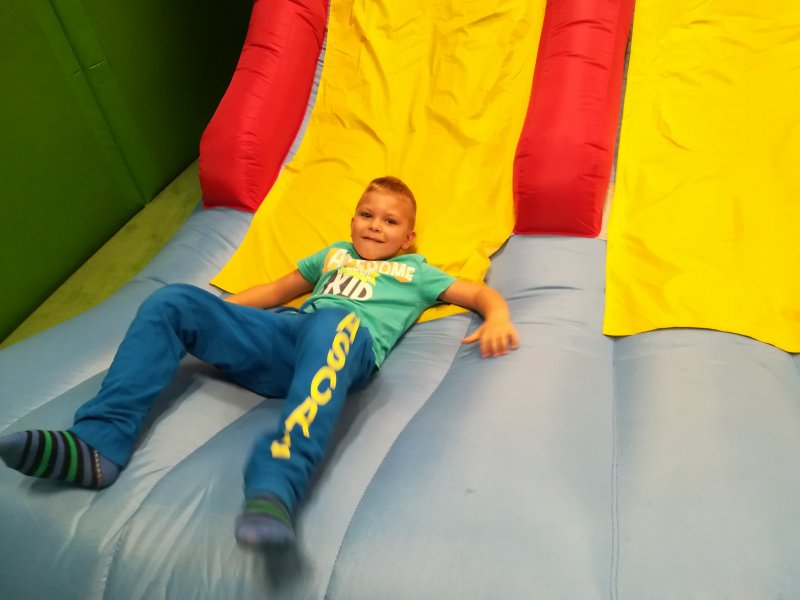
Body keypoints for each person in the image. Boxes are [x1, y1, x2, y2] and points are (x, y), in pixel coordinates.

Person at [0, 176, 519, 547]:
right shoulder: (334, 255)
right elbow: (275, 291)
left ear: (408, 238)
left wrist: (496, 315)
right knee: (174, 300)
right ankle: (96, 446)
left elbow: (475, 292)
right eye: (366, 215)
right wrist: (215, 315)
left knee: (335, 321)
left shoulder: (415, 272)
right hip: (285, 338)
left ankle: (277, 482)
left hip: (341, 347)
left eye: (390, 221)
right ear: (352, 221)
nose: (375, 226)